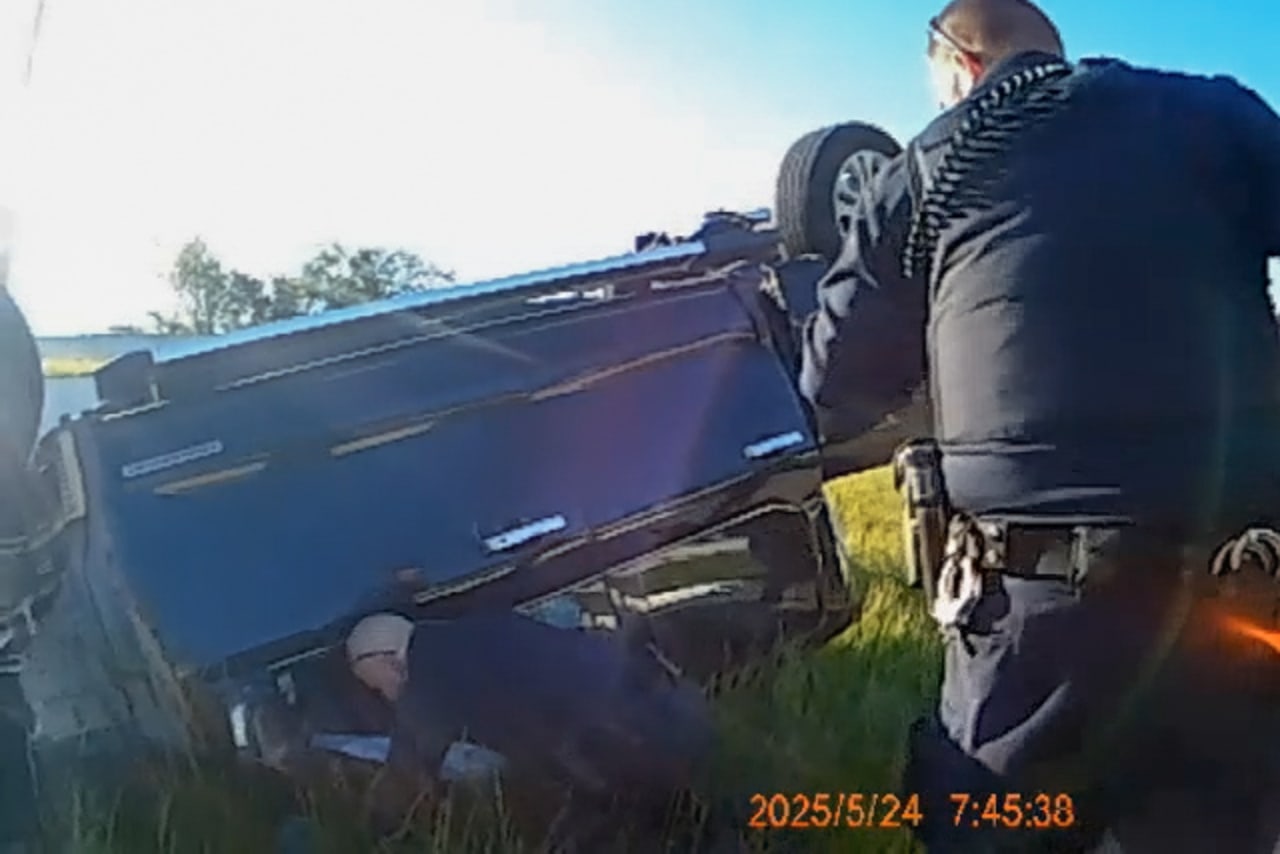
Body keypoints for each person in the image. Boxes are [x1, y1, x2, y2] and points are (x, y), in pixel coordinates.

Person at [791, 0, 1280, 850]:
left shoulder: (922, 170)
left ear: (956, 64)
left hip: (1036, 624)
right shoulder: (1212, 111)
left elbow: (833, 388)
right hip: (1242, 584)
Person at [344, 610, 733, 850]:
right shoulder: (491, 624)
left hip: (619, 758)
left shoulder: (428, 675)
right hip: (671, 713)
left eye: (376, 685)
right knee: (709, 823)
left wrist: (376, 831)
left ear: (388, 659)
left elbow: (408, 771)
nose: (385, 696)